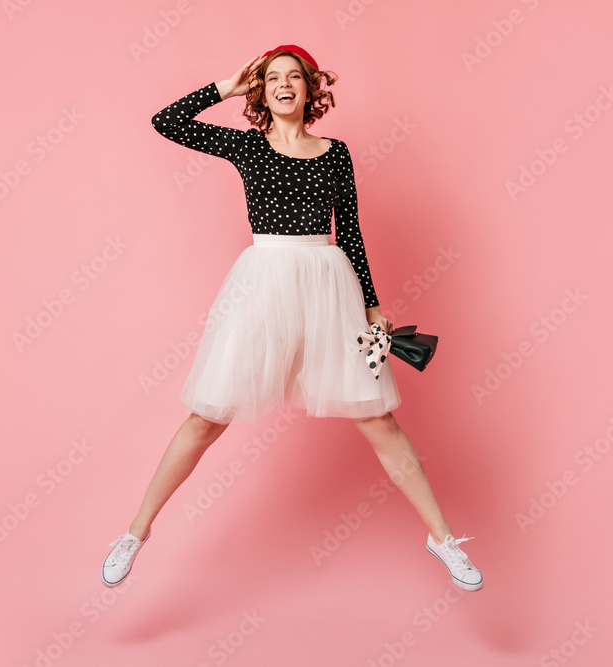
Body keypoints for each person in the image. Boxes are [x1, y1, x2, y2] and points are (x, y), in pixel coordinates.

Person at [101, 45, 483, 592]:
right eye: (272, 77)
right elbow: (167, 122)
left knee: (377, 419)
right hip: (263, 283)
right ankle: (134, 534)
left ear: (310, 88)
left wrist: (372, 307)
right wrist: (224, 88)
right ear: (263, 91)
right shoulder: (248, 146)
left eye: (294, 76)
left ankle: (443, 539)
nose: (284, 84)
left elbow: (349, 231)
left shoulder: (335, 152)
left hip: (329, 286)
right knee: (207, 416)